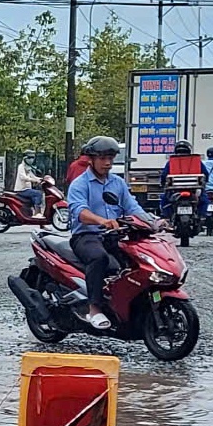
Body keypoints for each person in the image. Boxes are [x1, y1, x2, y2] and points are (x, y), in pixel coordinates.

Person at [66, 136, 149, 330]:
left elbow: (133, 208)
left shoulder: (118, 183)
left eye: (110, 158)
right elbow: (80, 212)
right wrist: (102, 221)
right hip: (86, 236)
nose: (108, 163)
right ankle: (94, 309)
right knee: (100, 258)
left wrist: (154, 222)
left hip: (114, 236)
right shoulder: (80, 184)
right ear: (91, 159)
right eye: (103, 158)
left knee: (136, 262)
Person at [159, 140, 212, 217]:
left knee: (165, 200)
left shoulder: (171, 162)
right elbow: (205, 174)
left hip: (175, 190)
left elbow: (164, 175)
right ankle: (202, 217)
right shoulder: (196, 161)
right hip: (194, 189)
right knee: (204, 201)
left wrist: (162, 183)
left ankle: (167, 218)